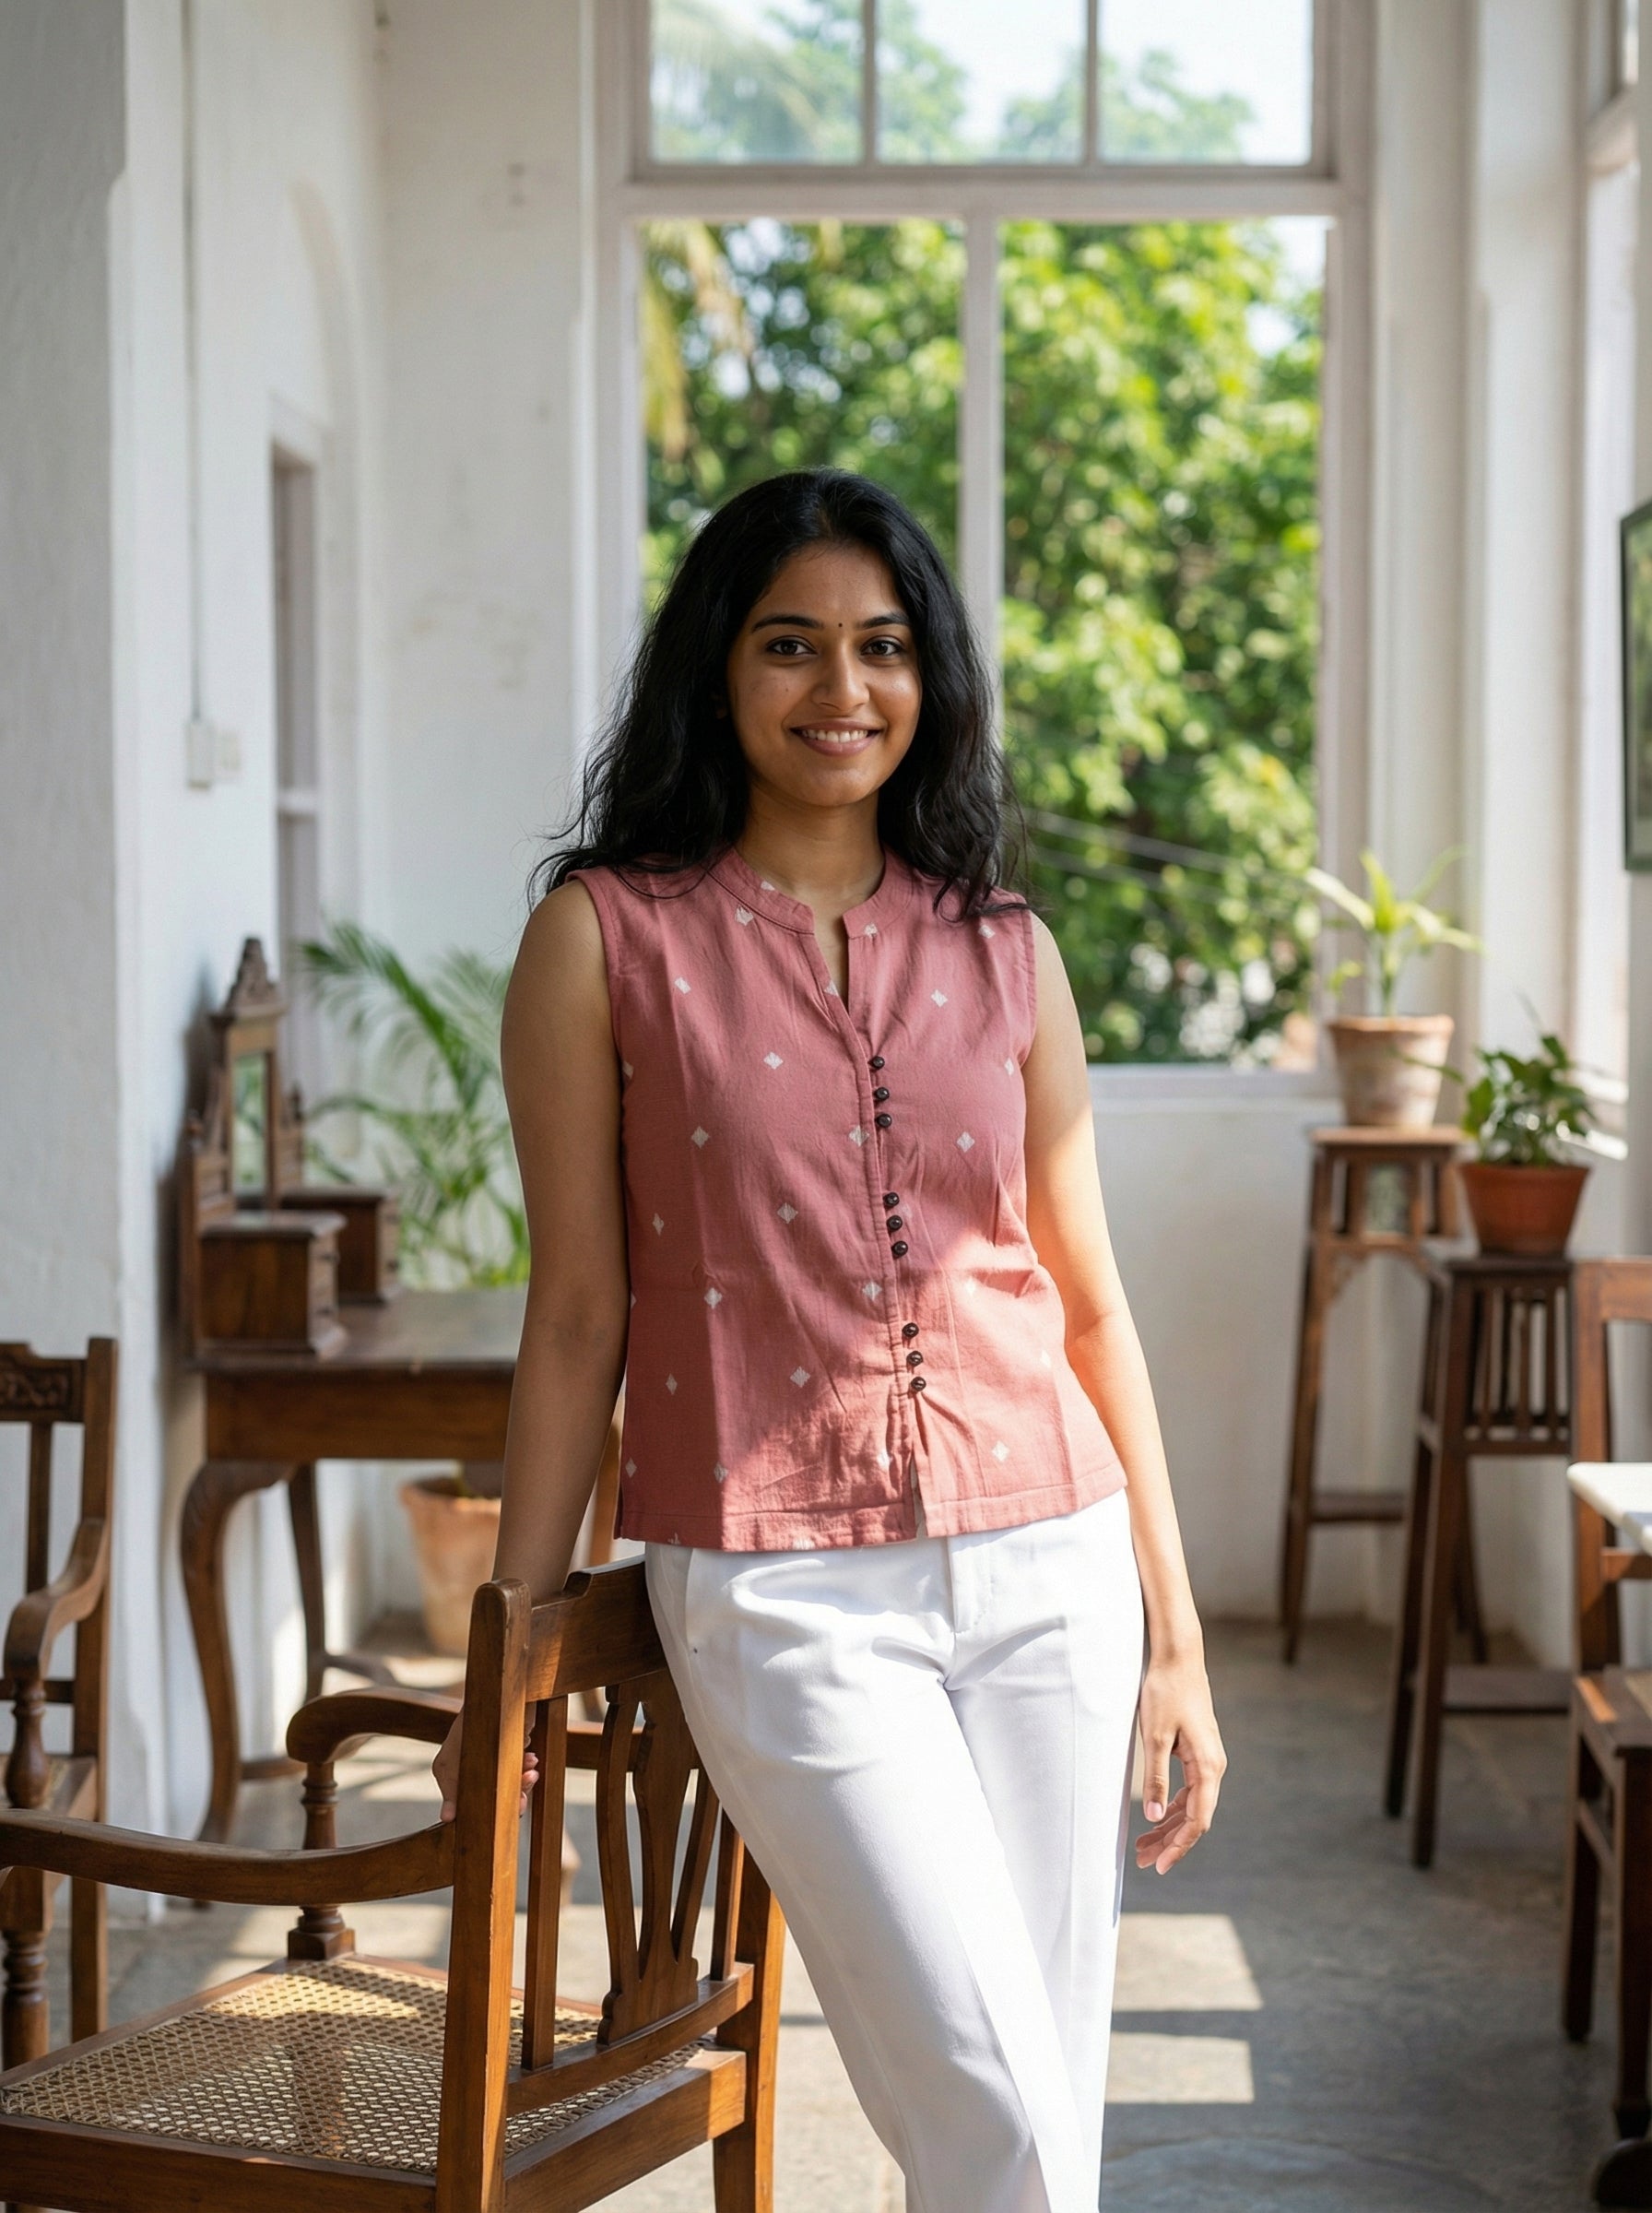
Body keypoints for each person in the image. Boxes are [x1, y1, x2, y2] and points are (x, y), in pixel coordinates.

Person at [433, 468, 1225, 2212]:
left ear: (928, 677)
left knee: (1033, 2103)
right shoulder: (601, 941)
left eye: (880, 648)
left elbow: (1089, 1302)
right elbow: (577, 1314)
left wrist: (1176, 1635)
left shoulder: (1008, 948)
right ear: (716, 669)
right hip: (782, 1595)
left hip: (1054, 1569)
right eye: (790, 645)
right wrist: (521, 1636)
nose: (839, 691)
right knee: (997, 2105)